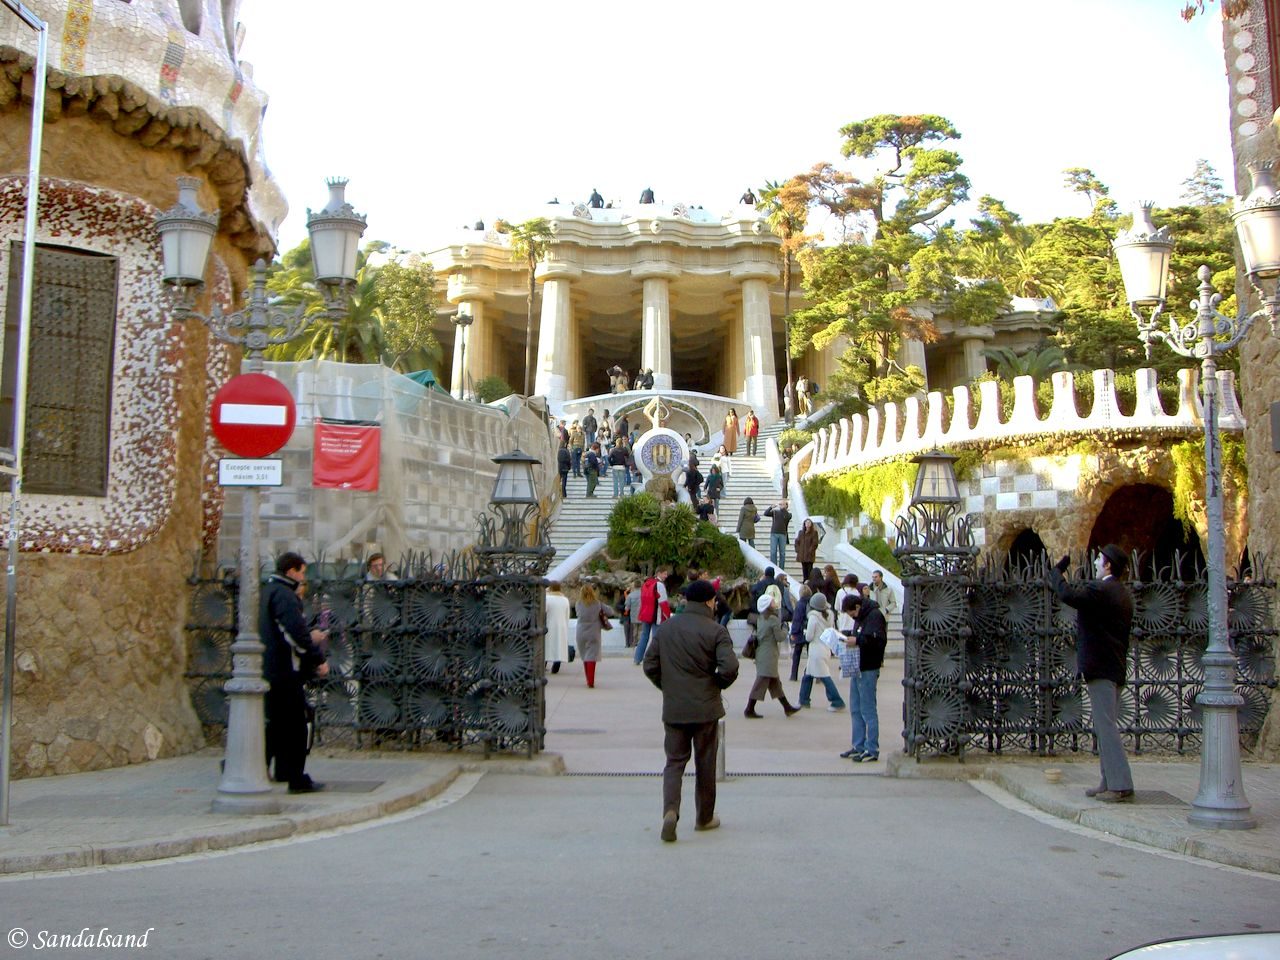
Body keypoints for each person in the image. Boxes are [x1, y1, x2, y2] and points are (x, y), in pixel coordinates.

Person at [643, 579, 739, 842]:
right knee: (705, 763)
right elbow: (729, 667)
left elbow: (649, 664)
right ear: (709, 602)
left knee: (674, 762)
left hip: (674, 708)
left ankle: (670, 811)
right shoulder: (716, 630)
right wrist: (717, 684)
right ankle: (704, 817)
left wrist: (668, 687)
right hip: (706, 708)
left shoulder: (666, 628)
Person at [1050, 544, 1135, 803]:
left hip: (1101, 668)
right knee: (1104, 724)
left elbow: (1069, 596)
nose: (1096, 563)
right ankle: (1108, 780)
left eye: (1099, 559)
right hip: (1114, 667)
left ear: (1108, 565)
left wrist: (1056, 573)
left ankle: (1120, 784)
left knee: (1106, 727)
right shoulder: (1122, 593)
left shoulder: (1103, 590)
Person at [261, 552, 329, 794]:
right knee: (296, 726)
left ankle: (281, 770)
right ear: (291, 570)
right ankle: (296, 778)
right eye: (301, 571)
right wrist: (317, 659)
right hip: (284, 670)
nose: (303, 577)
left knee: (277, 724)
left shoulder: (267, 590)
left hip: (269, 668)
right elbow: (294, 633)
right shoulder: (284, 595)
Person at [839, 592, 887, 762]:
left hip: (869, 666)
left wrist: (857, 640)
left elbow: (878, 641)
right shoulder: (861, 618)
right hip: (857, 665)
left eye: (851, 613)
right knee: (856, 708)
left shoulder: (874, 616)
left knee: (868, 709)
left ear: (858, 607)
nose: (851, 617)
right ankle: (858, 745)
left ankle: (872, 748)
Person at [744, 593, 801, 719]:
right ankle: (749, 709)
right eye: (772, 601)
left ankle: (787, 707)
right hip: (769, 655)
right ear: (767, 605)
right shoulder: (773, 619)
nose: (775, 602)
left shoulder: (760, 618)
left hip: (762, 653)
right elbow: (780, 637)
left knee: (774, 683)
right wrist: (786, 629)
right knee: (761, 682)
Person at [799, 593, 845, 711]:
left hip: (815, 649)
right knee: (808, 675)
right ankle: (803, 699)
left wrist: (804, 633)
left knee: (824, 676)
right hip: (825, 648)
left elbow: (809, 637)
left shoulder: (813, 617)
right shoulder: (830, 615)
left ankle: (837, 701)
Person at [574, 583, 616, 688]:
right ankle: (591, 681)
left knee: (585, 655)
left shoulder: (578, 603)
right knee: (591, 656)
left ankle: (587, 678)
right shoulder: (597, 604)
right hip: (594, 632)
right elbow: (611, 612)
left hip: (581, 632)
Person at [634, 565, 672, 664]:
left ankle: (637, 658)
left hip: (646, 614)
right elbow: (663, 602)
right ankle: (653, 660)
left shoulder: (646, 583)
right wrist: (668, 616)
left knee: (644, 636)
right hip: (656, 615)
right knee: (656, 638)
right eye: (664, 574)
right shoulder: (659, 585)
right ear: (659, 573)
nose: (666, 576)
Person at [545, 581, 571, 674]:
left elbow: (544, 612)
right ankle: (556, 667)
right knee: (559, 646)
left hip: (549, 624)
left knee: (547, 645)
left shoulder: (547, 598)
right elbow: (567, 615)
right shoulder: (565, 599)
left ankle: (544, 664)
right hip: (562, 625)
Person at [789, 584, 810, 682]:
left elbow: (796, 619)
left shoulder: (800, 604)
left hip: (800, 631)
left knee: (797, 653)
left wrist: (793, 632)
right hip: (809, 630)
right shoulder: (811, 603)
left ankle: (794, 675)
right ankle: (809, 672)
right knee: (811, 654)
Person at [764, 499, 792, 569]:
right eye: (780, 504)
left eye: (782, 504)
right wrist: (771, 507)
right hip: (774, 533)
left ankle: (781, 569)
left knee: (782, 553)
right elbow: (766, 513)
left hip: (783, 534)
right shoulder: (775, 512)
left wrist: (783, 509)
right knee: (773, 552)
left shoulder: (788, 514)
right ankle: (774, 567)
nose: (780, 506)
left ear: (786, 506)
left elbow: (787, 517)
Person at [623, 579, 643, 648]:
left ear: (634, 586)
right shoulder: (644, 594)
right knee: (641, 630)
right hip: (642, 615)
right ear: (641, 586)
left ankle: (634, 643)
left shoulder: (630, 596)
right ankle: (640, 644)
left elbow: (627, 607)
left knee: (634, 630)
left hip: (633, 616)